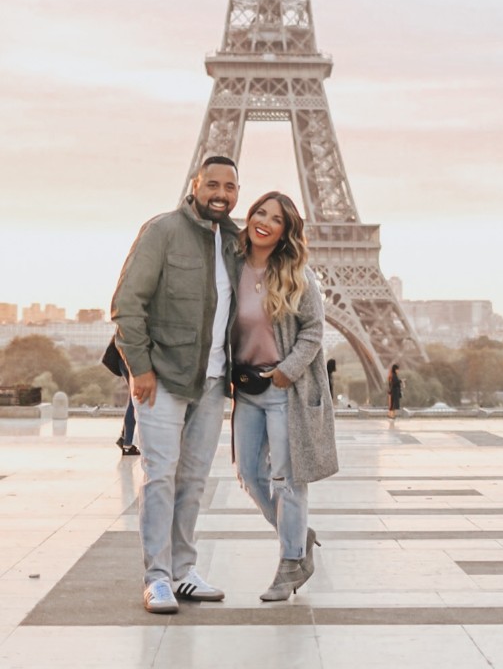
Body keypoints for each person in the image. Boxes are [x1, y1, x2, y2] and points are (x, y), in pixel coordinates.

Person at [111, 155, 241, 615]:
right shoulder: (163, 231)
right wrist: (140, 368)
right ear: (195, 185)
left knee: (193, 479)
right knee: (160, 475)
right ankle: (157, 578)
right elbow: (128, 302)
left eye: (229, 186)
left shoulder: (235, 241)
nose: (220, 193)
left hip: (212, 381)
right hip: (163, 376)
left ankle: (184, 570)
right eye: (212, 184)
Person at [231, 191, 338, 602]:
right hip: (246, 388)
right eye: (259, 212)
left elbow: (314, 328)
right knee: (250, 476)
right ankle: (297, 535)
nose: (264, 221)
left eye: (275, 218)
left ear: (285, 231)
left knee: (288, 481)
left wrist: (285, 373)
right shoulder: (232, 266)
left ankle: (291, 562)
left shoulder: (297, 274)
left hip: (282, 390)